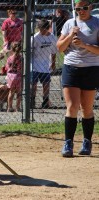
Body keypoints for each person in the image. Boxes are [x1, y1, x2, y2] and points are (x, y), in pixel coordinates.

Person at [56, 0, 99, 157]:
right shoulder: (69, 23)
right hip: (71, 67)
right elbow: (60, 47)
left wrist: (83, 44)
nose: (81, 11)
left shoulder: (96, 23)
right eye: (78, 8)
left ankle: (87, 141)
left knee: (86, 109)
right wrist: (69, 36)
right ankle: (68, 142)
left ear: (91, 8)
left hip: (91, 68)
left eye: (84, 8)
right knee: (72, 107)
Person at [31, 19, 57, 109]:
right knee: (33, 84)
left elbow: (54, 52)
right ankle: (32, 101)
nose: (41, 31)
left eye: (43, 29)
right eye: (40, 29)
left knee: (46, 84)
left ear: (48, 28)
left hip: (45, 64)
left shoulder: (52, 37)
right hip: (34, 64)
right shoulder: (35, 38)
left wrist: (53, 63)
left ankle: (45, 101)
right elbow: (30, 51)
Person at [5, 42, 22, 112]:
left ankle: (9, 107)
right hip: (18, 76)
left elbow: (6, 67)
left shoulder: (9, 58)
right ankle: (17, 107)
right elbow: (21, 68)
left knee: (11, 92)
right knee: (19, 93)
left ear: (12, 49)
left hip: (10, 76)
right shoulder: (21, 58)